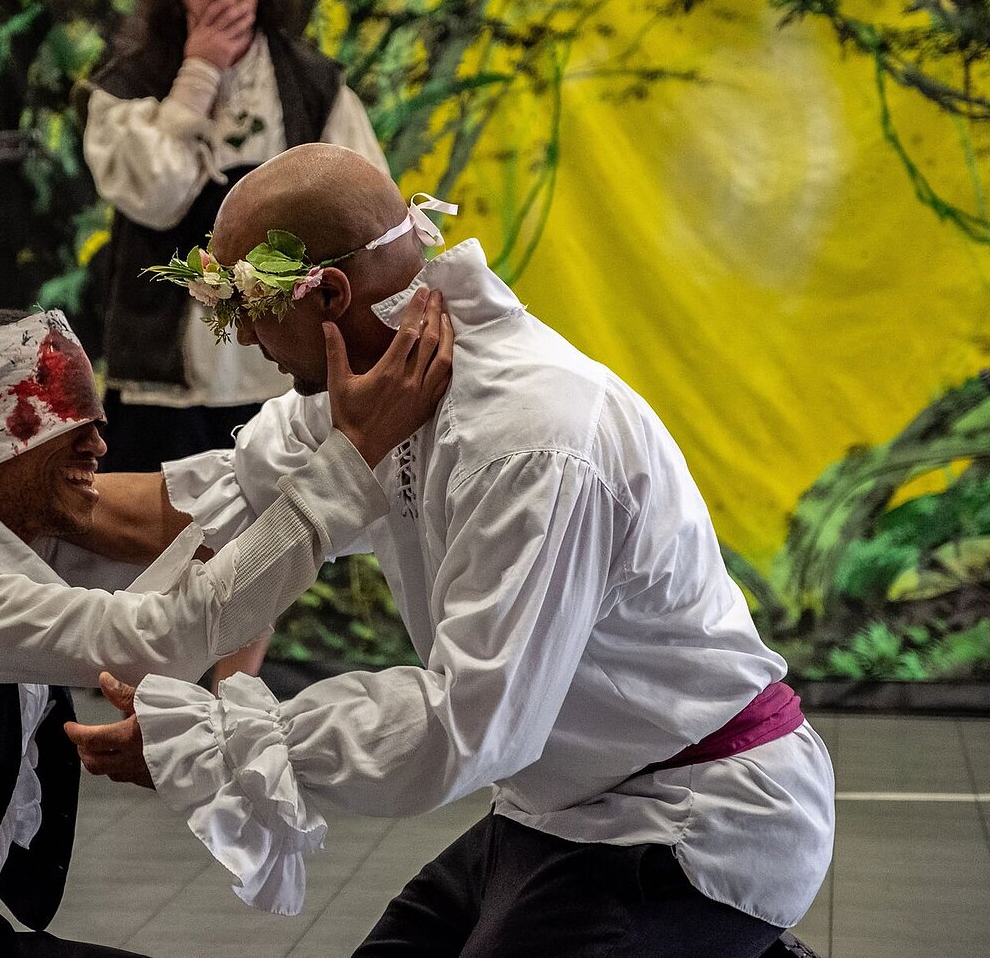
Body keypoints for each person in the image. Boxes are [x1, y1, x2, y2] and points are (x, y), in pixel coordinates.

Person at [65, 143, 835, 957]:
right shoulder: (377, 387)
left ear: (327, 292)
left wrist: (218, 740)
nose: (245, 339)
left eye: (243, 308)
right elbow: (208, 509)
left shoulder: (528, 437)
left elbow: (470, 724)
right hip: (555, 810)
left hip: (693, 815)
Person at [0, 302, 451, 957]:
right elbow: (159, 637)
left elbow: (201, 535)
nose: (100, 444)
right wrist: (349, 462)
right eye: (70, 425)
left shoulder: (15, 537)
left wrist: (348, 450)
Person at [78, 0, 390, 683]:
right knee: (169, 520)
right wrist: (198, 78)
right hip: (168, 356)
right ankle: (150, 675)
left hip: (271, 357)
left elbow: (365, 194)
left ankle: (233, 681)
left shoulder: (311, 80)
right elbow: (151, 194)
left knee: (265, 523)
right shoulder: (129, 84)